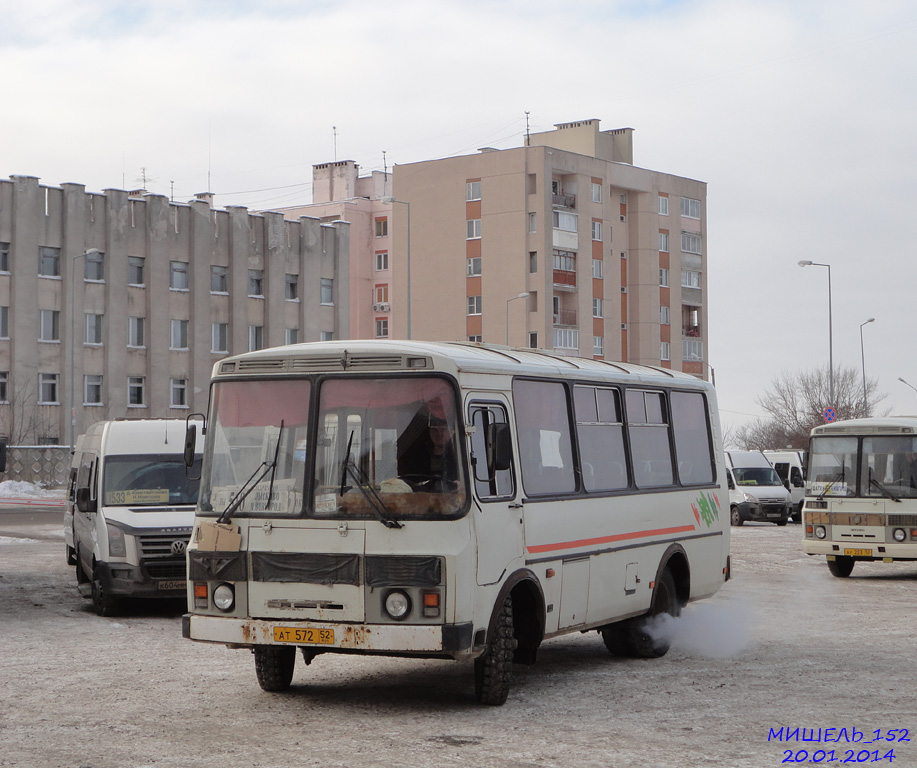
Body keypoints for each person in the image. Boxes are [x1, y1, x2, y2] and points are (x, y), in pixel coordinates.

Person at [397, 408, 459, 491]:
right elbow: (411, 481)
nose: (439, 434)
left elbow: (463, 483)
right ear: (429, 431)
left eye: (443, 430)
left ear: (452, 432)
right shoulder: (419, 455)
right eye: (435, 430)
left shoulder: (458, 455)